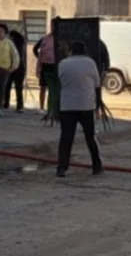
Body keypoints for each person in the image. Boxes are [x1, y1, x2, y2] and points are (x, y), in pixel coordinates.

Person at [56, 40, 104, 178]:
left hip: (67, 105)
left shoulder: (63, 64)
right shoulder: (90, 63)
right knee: (90, 137)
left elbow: (60, 81)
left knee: (66, 137)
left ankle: (62, 168)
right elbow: (97, 83)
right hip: (86, 105)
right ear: (84, 51)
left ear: (71, 51)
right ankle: (96, 165)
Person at [33, 20, 57, 118]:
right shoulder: (45, 39)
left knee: (54, 89)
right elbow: (38, 51)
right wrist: (38, 67)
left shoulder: (61, 39)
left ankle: (53, 109)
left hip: (55, 66)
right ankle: (42, 107)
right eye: (51, 25)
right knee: (43, 87)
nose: (53, 27)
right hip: (45, 65)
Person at [1, 29, 28, 113]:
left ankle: (6, 103)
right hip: (20, 67)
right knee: (18, 87)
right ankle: (19, 105)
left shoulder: (12, 44)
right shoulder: (22, 43)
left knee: (8, 85)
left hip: (13, 67)